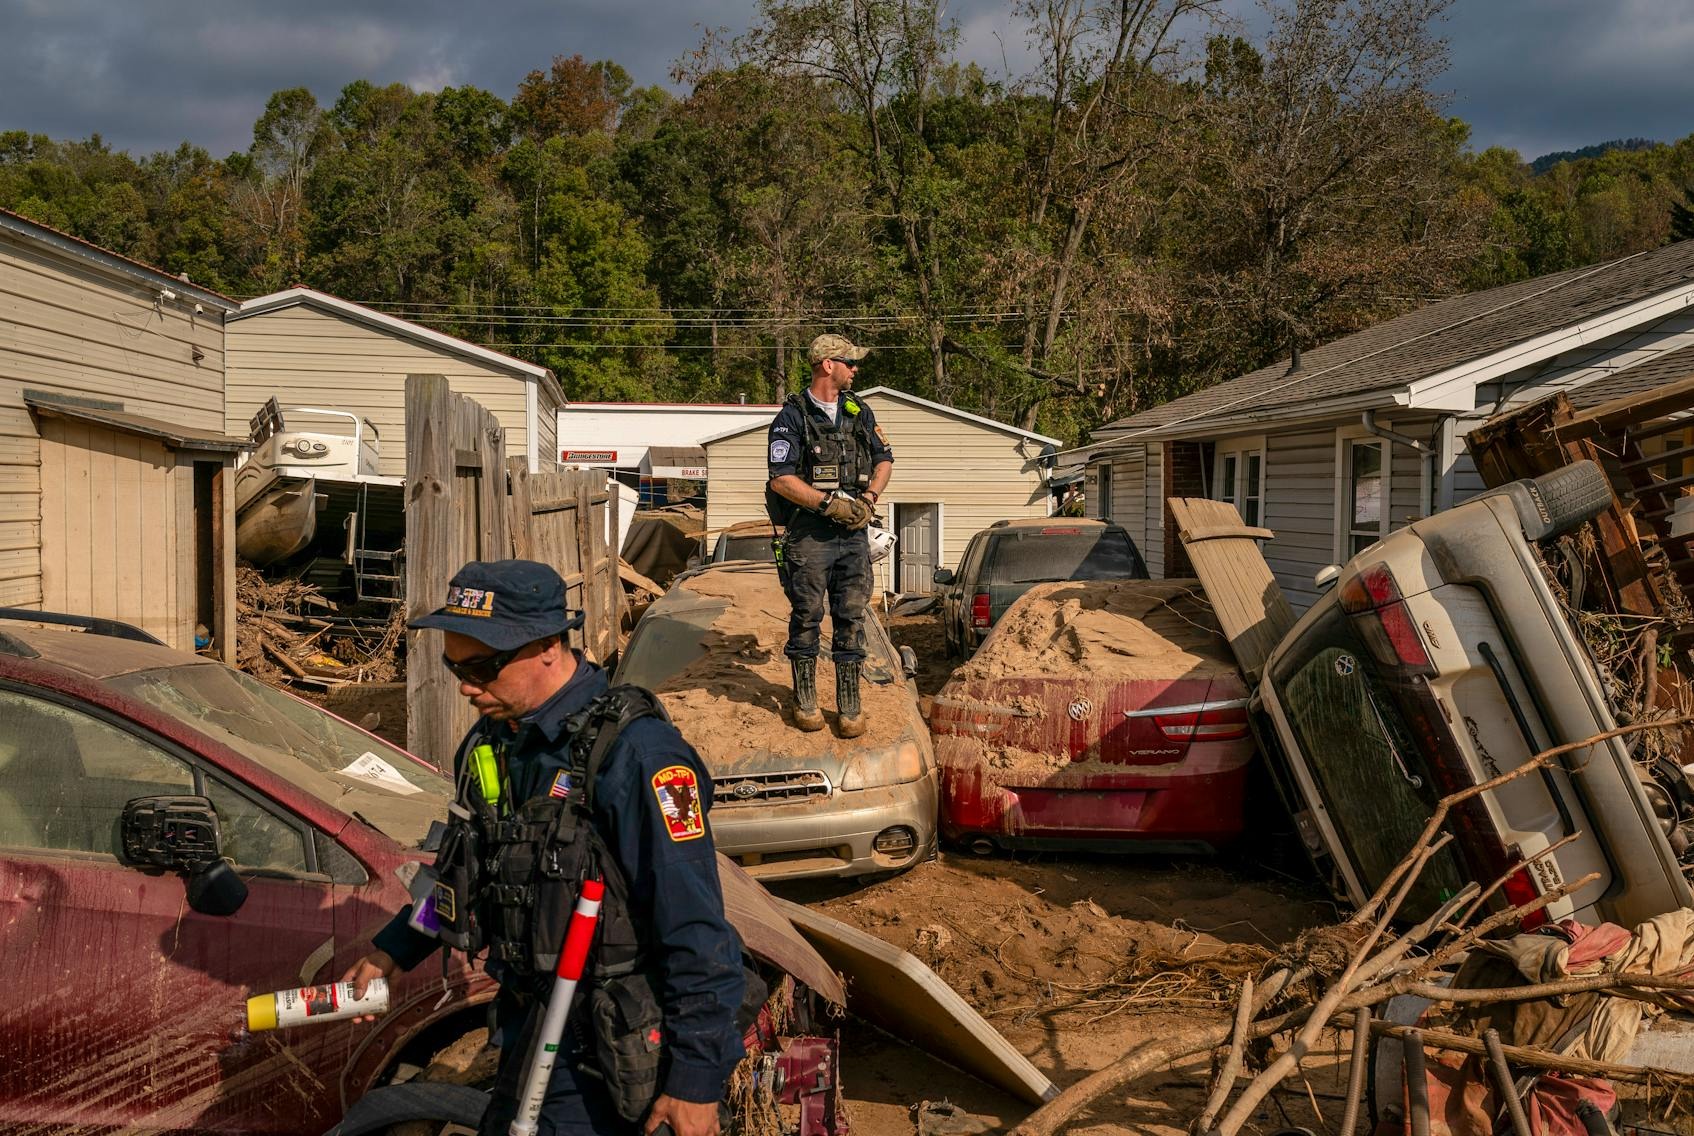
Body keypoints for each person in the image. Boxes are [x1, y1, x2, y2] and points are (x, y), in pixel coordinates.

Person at [341, 560, 745, 1136]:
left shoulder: (638, 754)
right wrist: (395, 950)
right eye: (453, 665)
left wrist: (696, 1082)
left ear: (549, 647)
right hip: (524, 1029)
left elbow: (697, 930)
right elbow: (463, 874)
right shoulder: (490, 745)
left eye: (482, 667)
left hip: (609, 1048)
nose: (465, 685)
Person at [764, 333, 894, 738]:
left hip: (854, 534)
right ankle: (805, 701)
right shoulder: (793, 417)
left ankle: (849, 706)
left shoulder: (859, 412)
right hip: (810, 535)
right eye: (849, 363)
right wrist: (826, 504)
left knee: (851, 615)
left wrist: (869, 498)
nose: (855, 370)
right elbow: (781, 479)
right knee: (806, 615)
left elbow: (884, 460)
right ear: (827, 365)